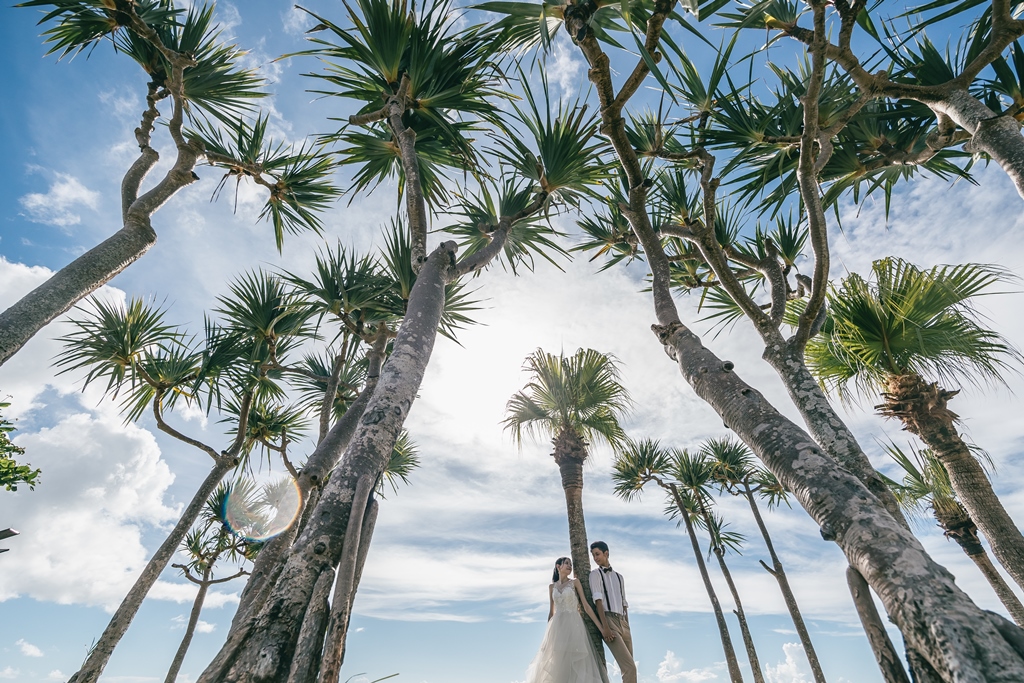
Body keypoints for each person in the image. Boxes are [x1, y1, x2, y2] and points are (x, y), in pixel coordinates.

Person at [525, 556, 612, 683]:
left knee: (575, 661)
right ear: (558, 566)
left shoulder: (575, 582)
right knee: (558, 661)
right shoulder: (551, 587)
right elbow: (551, 612)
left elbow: (586, 607)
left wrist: (602, 628)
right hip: (558, 627)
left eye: (571, 564)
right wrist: (547, 638)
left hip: (574, 625)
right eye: (567, 563)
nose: (570, 566)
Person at [589, 541, 636, 683]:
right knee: (630, 668)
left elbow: (624, 603)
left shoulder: (619, 577)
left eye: (597, 554)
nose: (595, 558)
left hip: (623, 622)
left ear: (606, 553)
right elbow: (598, 602)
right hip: (609, 620)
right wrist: (605, 628)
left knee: (629, 666)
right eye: (593, 555)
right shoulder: (595, 575)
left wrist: (627, 625)